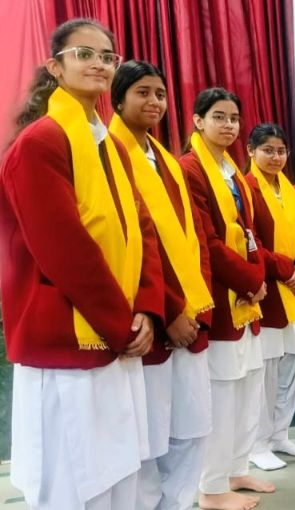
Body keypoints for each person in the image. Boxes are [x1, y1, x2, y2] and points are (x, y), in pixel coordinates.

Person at [0, 18, 164, 509]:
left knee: (118, 471)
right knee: (74, 480)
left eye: (107, 57)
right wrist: (121, 321)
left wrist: (147, 307)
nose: (98, 64)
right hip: (70, 335)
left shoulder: (109, 145)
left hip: (119, 328)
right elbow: (63, 250)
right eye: (84, 54)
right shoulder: (41, 142)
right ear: (55, 66)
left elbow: (141, 229)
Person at [109, 60, 215, 510]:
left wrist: (196, 305)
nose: (154, 102)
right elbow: (134, 245)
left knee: (192, 425)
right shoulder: (109, 153)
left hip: (190, 312)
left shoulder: (165, 158)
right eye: (142, 92)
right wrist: (169, 310)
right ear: (118, 100)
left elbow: (194, 239)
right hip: (151, 316)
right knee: (149, 436)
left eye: (160, 94)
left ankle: (178, 502)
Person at [181, 87, 271, 510]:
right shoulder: (190, 169)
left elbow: (248, 233)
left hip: (247, 298)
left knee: (248, 387)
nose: (229, 125)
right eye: (219, 116)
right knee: (222, 394)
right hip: (219, 296)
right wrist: (251, 280)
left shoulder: (232, 171)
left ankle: (236, 469)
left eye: (234, 118)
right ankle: (212, 487)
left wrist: (256, 277)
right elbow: (208, 243)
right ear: (198, 121)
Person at [244, 124, 295, 471]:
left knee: (293, 367)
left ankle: (280, 435)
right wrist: (287, 270)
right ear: (251, 151)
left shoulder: (289, 189)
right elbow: (251, 240)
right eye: (268, 150)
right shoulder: (247, 188)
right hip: (269, 293)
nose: (276, 157)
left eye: (281, 151)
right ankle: (257, 444)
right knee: (266, 373)